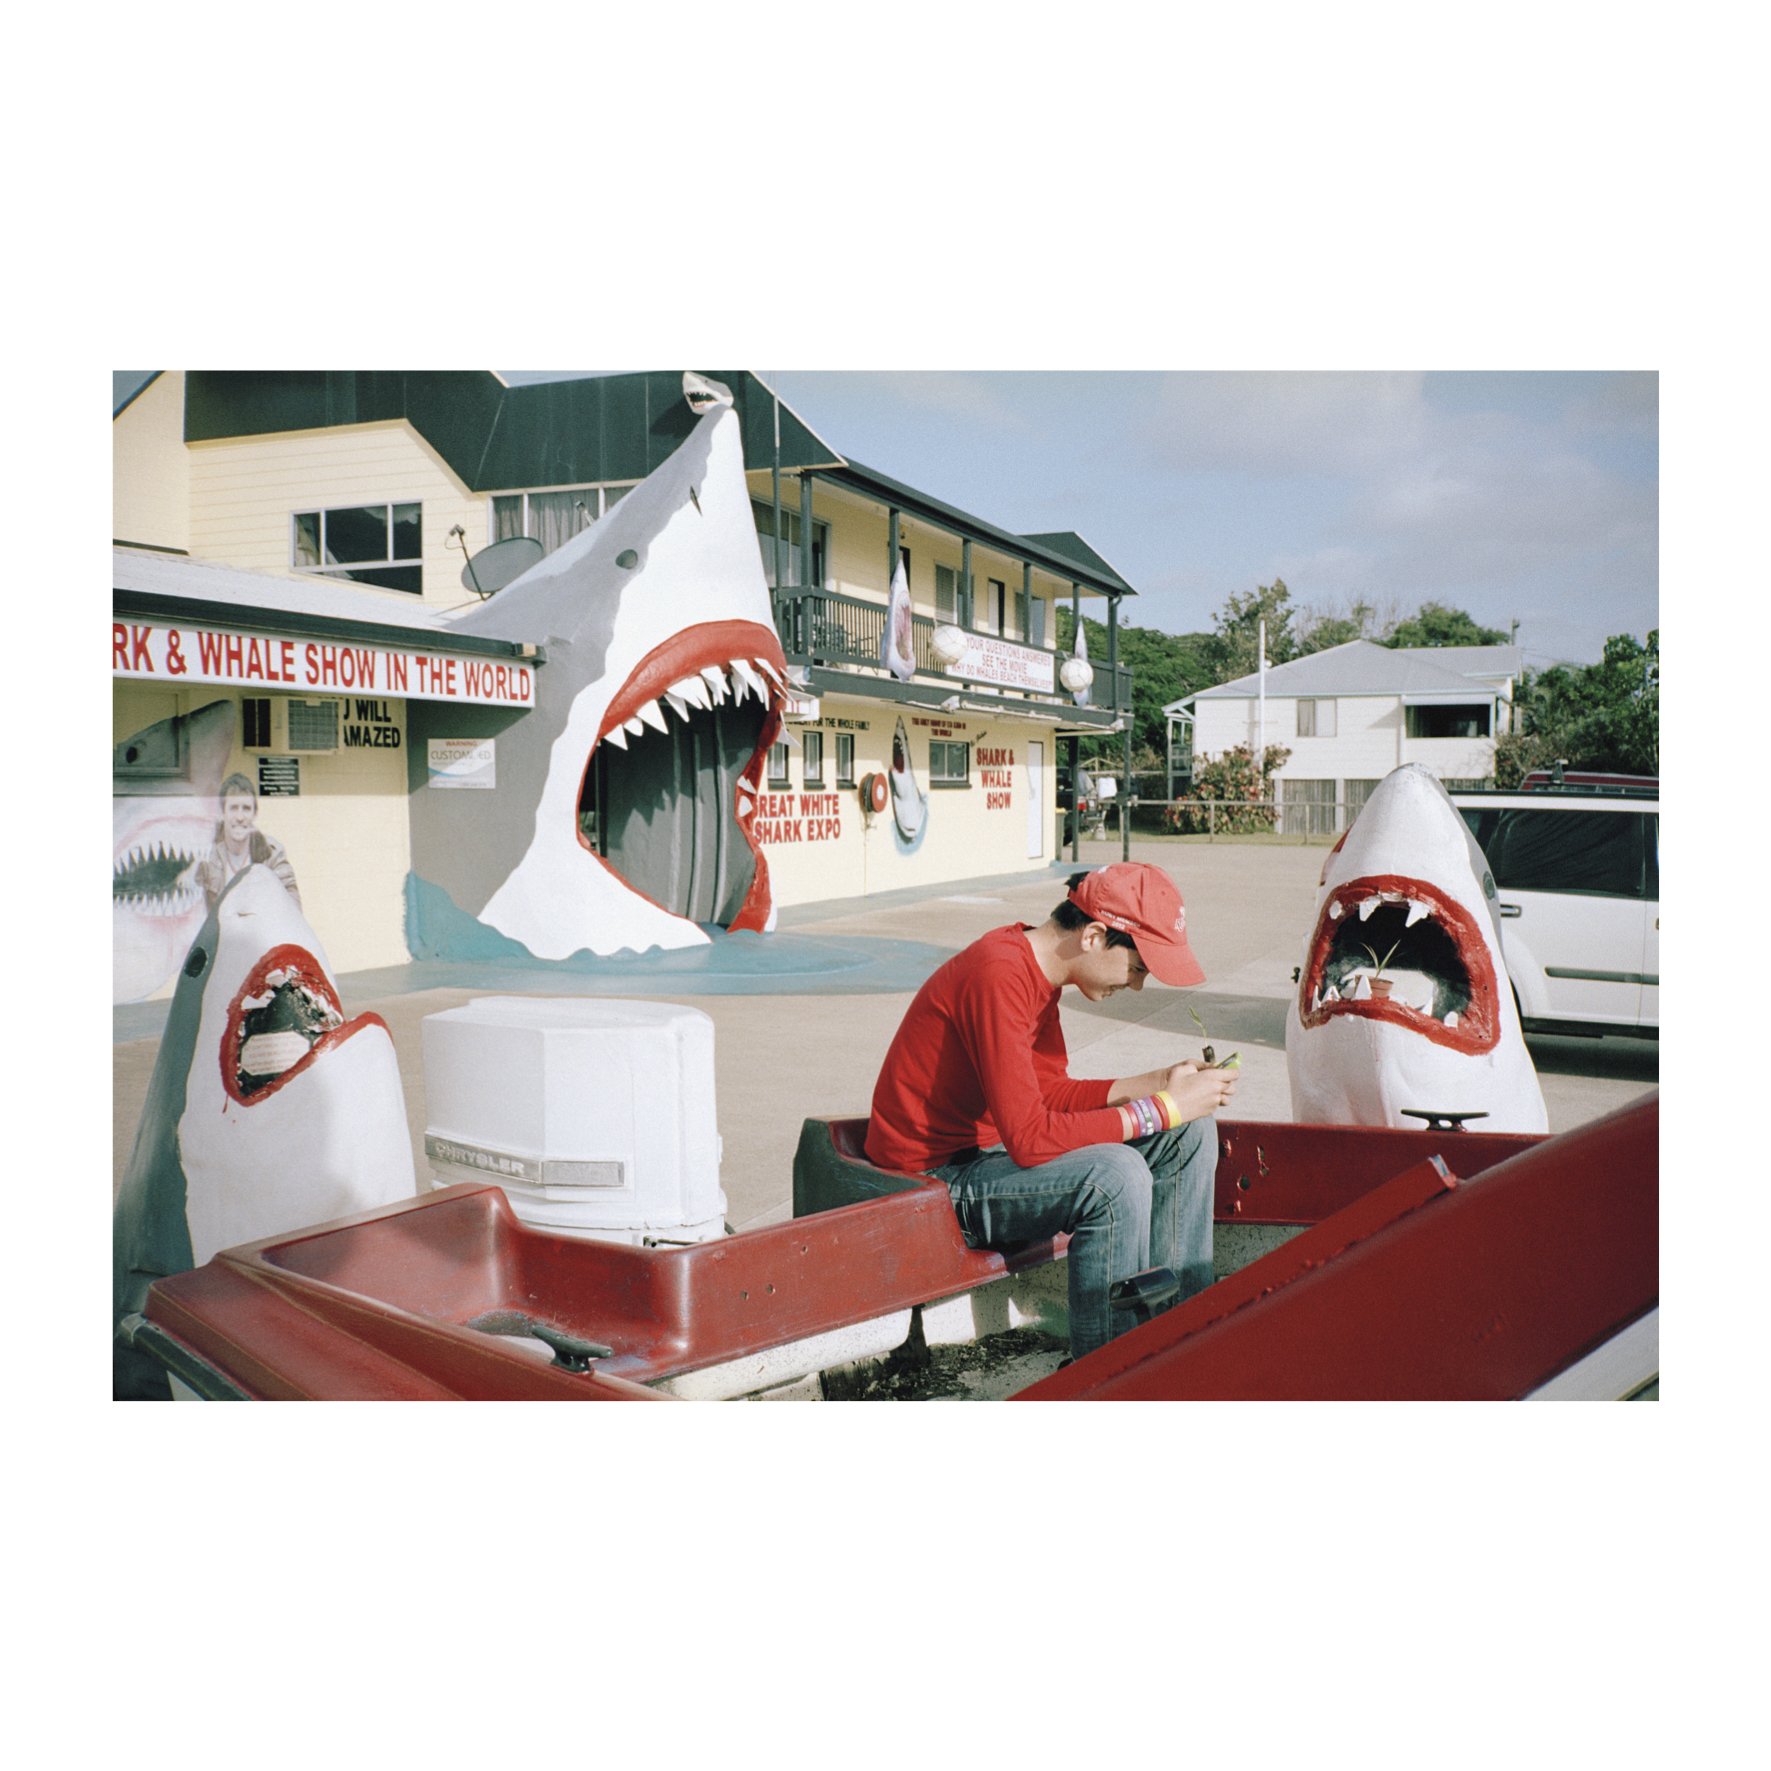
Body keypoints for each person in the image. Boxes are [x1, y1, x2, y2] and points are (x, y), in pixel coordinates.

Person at [866, 862, 1236, 1361]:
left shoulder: (1036, 976)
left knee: (1188, 1133)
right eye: (1137, 968)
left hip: (987, 1160)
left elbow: (1049, 1094)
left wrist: (1159, 1087)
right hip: (934, 1184)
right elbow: (1031, 1137)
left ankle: (1176, 1343)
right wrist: (1159, 1110)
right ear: (1095, 936)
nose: (1137, 986)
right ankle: (1106, 1372)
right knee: (1114, 1175)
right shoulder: (998, 974)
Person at [194, 772, 302, 909]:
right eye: (233, 808)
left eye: (246, 809)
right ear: (222, 813)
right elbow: (195, 909)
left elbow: (293, 907)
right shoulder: (207, 854)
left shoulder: (272, 853)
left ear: (254, 813)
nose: (240, 817)